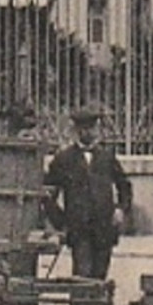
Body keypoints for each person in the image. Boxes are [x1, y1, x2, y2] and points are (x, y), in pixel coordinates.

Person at [42, 106, 133, 281]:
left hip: (104, 229)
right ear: (77, 131)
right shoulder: (64, 159)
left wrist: (121, 209)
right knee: (82, 279)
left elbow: (124, 185)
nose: (89, 132)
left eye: (92, 128)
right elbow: (47, 193)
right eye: (84, 128)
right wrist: (60, 221)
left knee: (100, 278)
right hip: (79, 231)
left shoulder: (106, 157)